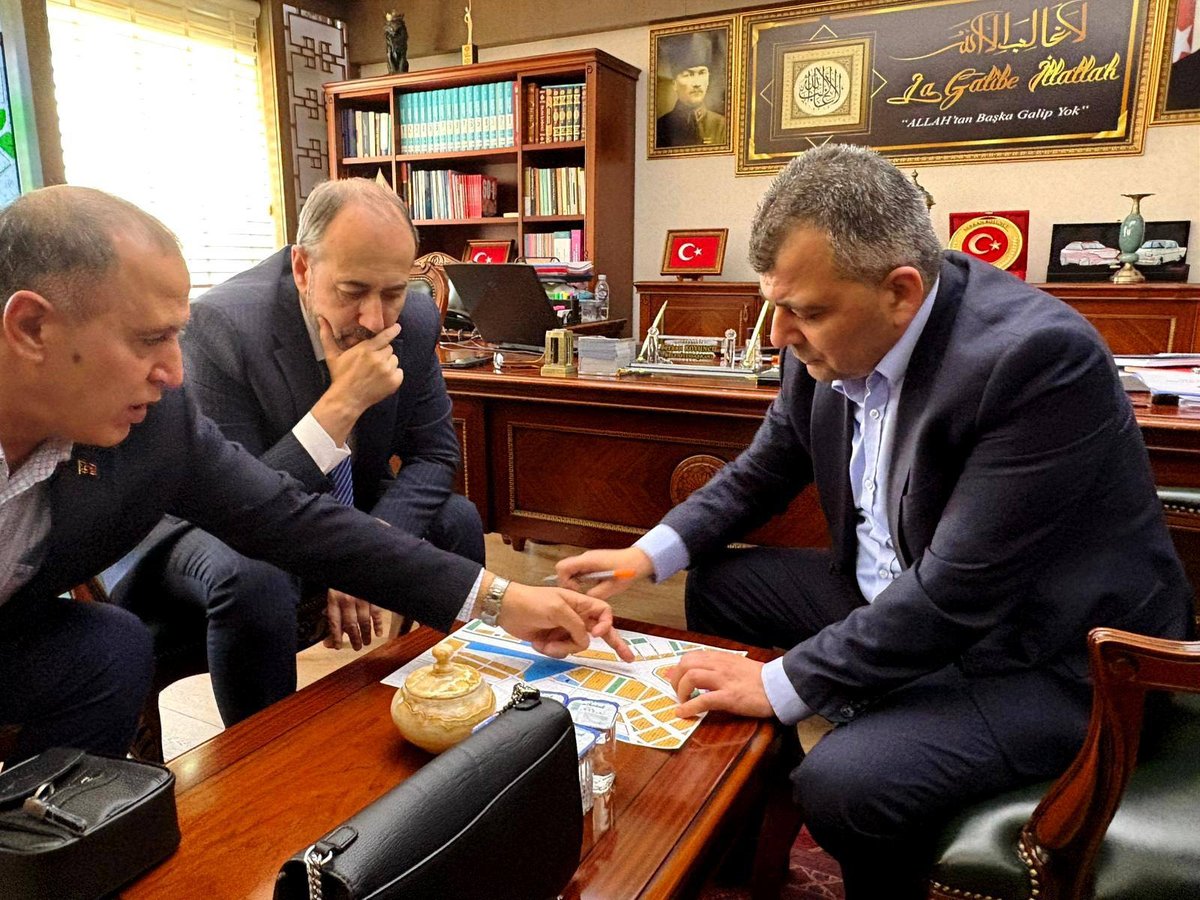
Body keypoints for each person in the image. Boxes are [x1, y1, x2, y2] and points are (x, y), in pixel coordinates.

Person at [557, 144, 1192, 897]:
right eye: (775, 305)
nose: (778, 335)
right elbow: (767, 466)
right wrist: (646, 556)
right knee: (723, 584)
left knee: (845, 784)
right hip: (902, 595)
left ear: (900, 291)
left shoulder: (1036, 360)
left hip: (1045, 655)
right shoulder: (825, 332)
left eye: (804, 312)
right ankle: (743, 828)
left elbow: (958, 592)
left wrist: (782, 683)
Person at [0, 184, 631, 764]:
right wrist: (340, 406)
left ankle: (69, 829)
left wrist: (503, 600)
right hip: (185, 547)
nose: (174, 372)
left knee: (106, 644)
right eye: (149, 339)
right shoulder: (227, 331)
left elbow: (281, 514)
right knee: (187, 603)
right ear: (32, 328)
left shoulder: (159, 418)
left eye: (176, 336)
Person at [108, 178, 484, 727]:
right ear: (304, 269)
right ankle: (266, 751)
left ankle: (454, 699)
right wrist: (342, 405)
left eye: (393, 292)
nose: (375, 319)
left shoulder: (415, 320)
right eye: (352, 291)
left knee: (458, 518)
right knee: (253, 573)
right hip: (201, 525)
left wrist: (366, 551)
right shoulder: (223, 326)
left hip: (335, 504)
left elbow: (435, 454)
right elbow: (234, 501)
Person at [655, 34, 728, 149]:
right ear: (674, 84)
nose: (697, 83)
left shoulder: (723, 126)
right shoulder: (660, 128)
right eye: (688, 75)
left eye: (702, 73)